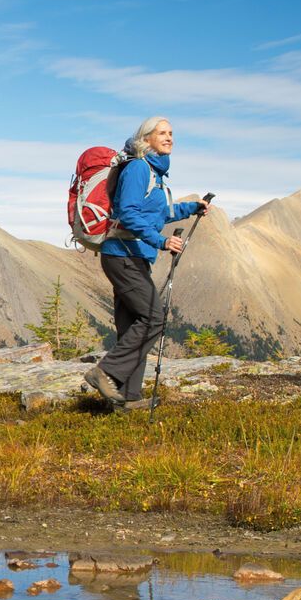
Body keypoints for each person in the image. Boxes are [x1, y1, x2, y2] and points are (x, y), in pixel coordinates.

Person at [83, 116, 208, 408]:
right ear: (146, 138)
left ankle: (127, 398)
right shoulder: (139, 168)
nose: (169, 138)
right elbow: (128, 213)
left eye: (171, 133)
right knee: (154, 318)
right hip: (123, 254)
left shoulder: (155, 174)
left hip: (133, 256)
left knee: (132, 326)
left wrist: (192, 208)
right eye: (162, 133)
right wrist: (161, 241)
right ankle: (105, 372)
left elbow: (158, 212)